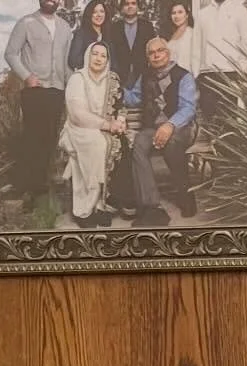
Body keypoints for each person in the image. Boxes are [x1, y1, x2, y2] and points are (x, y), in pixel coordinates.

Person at [5, 0, 74, 205]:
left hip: (57, 90)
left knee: (50, 138)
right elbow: (10, 53)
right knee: (33, 138)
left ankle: (42, 187)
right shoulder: (26, 22)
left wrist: (72, 83)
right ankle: (28, 189)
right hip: (35, 90)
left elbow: (67, 61)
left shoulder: (65, 27)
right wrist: (26, 76)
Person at [128, 35, 198, 217]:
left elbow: (188, 108)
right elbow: (134, 97)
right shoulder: (144, 76)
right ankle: (150, 202)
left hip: (181, 128)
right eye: (151, 53)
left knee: (172, 143)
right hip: (152, 128)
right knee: (138, 145)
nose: (156, 55)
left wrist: (169, 125)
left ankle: (186, 197)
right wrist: (115, 90)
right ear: (148, 57)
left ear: (168, 53)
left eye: (160, 51)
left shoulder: (183, 76)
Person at [61, 42, 125, 227]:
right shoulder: (77, 79)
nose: (98, 58)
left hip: (103, 128)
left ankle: (100, 206)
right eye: (94, 54)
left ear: (107, 60)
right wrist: (107, 125)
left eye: (103, 55)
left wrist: (120, 121)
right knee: (97, 144)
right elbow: (77, 115)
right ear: (87, 56)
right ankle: (83, 210)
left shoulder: (112, 79)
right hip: (79, 129)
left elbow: (121, 106)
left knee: (112, 144)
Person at [192, 0, 247, 124]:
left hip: (230, 73)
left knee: (228, 120)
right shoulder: (203, 13)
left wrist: (241, 70)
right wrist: (196, 73)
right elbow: (196, 45)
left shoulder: (239, 10)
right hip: (207, 74)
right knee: (209, 118)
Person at [108, 0, 157, 93]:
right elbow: (111, 52)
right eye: (126, 4)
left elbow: (152, 50)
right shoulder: (114, 27)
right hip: (119, 75)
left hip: (143, 75)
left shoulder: (147, 26)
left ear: (138, 7)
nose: (130, 6)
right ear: (122, 8)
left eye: (133, 3)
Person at [67, 0, 112, 71]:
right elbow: (73, 60)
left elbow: (114, 59)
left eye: (102, 11)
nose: (99, 15)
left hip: (105, 77)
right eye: (94, 12)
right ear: (89, 14)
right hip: (86, 77)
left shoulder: (109, 34)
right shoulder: (80, 34)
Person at [165, 2, 199, 72]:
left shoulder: (191, 34)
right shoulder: (170, 36)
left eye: (180, 12)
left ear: (187, 15)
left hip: (186, 75)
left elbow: (196, 60)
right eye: (173, 13)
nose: (176, 16)